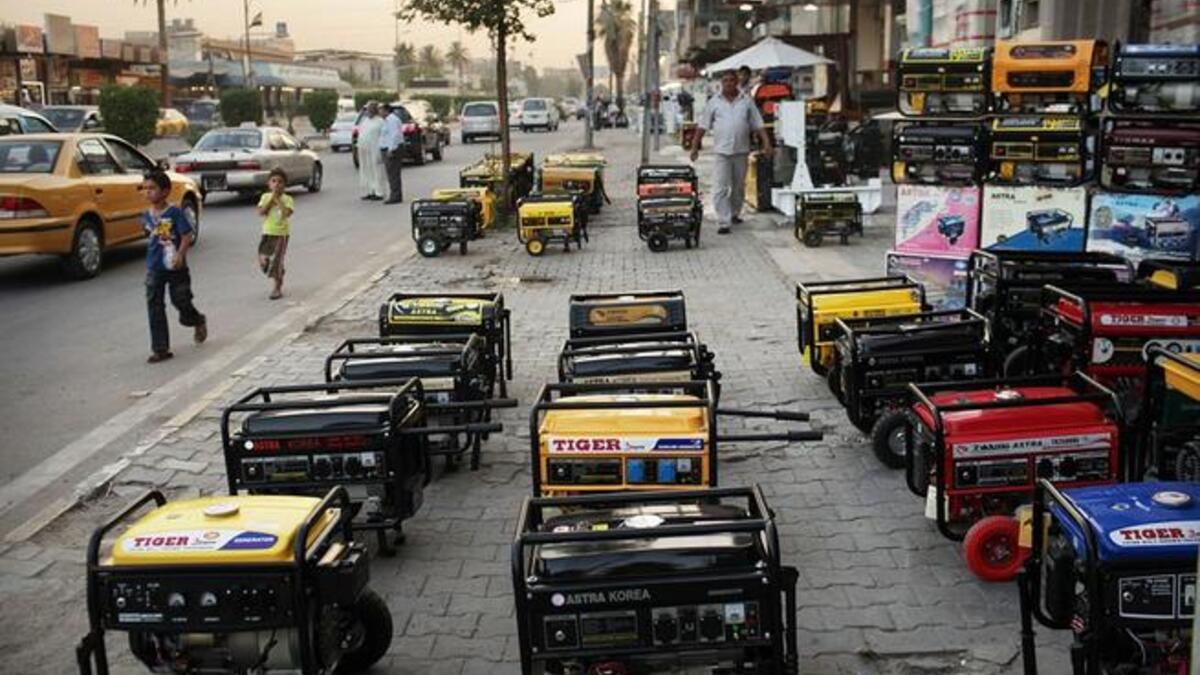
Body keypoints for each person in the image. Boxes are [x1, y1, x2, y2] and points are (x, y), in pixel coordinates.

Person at [690, 70, 772, 234]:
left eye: (731, 80)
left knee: (738, 187)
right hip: (722, 151)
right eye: (725, 81)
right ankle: (723, 221)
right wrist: (694, 146)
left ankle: (734, 213)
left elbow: (758, 123)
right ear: (721, 83)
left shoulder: (746, 101)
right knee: (720, 187)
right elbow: (702, 125)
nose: (728, 83)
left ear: (736, 82)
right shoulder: (714, 102)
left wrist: (767, 144)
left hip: (741, 151)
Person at [141, 170, 207, 363]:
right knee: (154, 305)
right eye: (144, 189)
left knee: (181, 301)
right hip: (154, 267)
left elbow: (186, 235)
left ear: (165, 191)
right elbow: (151, 237)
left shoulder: (175, 212)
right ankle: (160, 348)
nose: (148, 192)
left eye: (152, 188)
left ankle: (197, 319)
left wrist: (180, 254)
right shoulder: (146, 216)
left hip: (176, 266)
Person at [257, 167, 294, 300]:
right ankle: (273, 268)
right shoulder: (265, 197)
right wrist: (271, 201)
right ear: (269, 184)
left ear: (284, 185)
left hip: (281, 234)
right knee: (263, 256)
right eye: (274, 181)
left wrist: (278, 201)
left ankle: (277, 287)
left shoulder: (287, 199)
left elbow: (286, 214)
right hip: (267, 232)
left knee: (277, 261)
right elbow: (261, 212)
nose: (276, 184)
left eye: (280, 182)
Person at [356, 102, 386, 200]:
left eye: (370, 110)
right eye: (367, 110)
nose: (368, 112)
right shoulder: (365, 121)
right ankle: (370, 190)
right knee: (367, 171)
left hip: (375, 149)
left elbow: (383, 136)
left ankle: (379, 192)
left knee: (377, 171)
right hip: (365, 150)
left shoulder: (380, 121)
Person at [379, 103, 404, 204]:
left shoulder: (392, 120)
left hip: (392, 149)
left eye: (381, 110)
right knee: (391, 174)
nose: (379, 112)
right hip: (387, 148)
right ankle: (395, 194)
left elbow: (394, 135)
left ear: (386, 110)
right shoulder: (386, 120)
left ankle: (395, 196)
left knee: (393, 174)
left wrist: (391, 149)